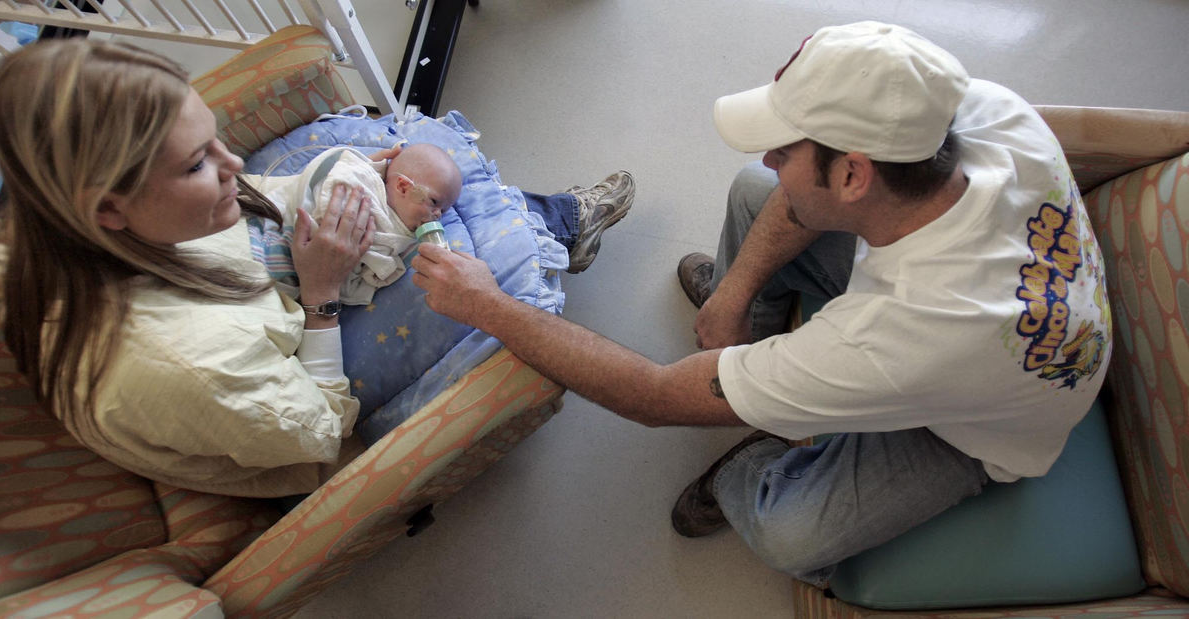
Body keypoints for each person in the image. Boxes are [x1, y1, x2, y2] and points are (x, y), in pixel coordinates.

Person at [411, 21, 1111, 586]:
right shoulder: (982, 114)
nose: (774, 158)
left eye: (787, 147)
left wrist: (489, 304)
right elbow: (790, 194)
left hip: (972, 427)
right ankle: (758, 352)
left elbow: (654, 396)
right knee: (755, 192)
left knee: (790, 533)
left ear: (853, 174)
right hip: (985, 319)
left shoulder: (895, 339)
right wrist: (736, 294)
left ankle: (758, 451)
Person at [0, 38, 634, 498]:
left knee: (393, 166)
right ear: (110, 210)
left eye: (216, 139)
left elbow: (247, 200)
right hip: (303, 410)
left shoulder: (55, 228)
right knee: (463, 269)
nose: (233, 164)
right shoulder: (189, 364)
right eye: (196, 165)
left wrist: (345, 185)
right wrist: (323, 292)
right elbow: (320, 433)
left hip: (270, 277)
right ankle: (559, 227)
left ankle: (547, 219)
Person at [250, 142, 464, 304]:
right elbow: (331, 193)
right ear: (403, 187)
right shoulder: (362, 182)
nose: (437, 215)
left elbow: (365, 276)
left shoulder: (401, 236)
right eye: (434, 202)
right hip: (275, 236)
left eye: (444, 210)